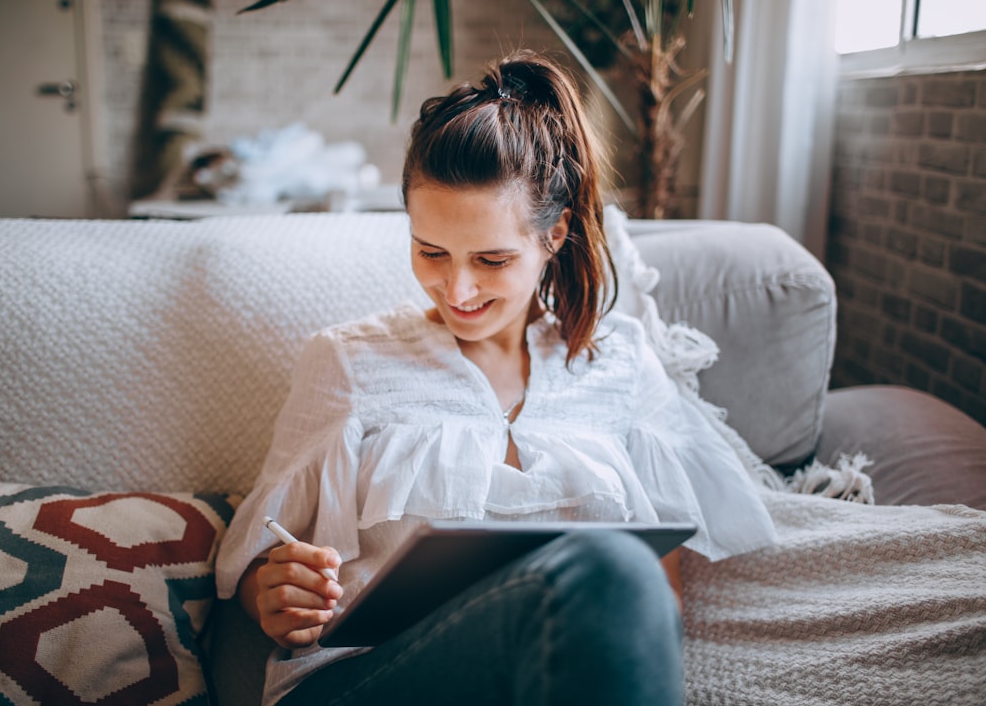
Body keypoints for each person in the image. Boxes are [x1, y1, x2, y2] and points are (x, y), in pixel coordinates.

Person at [215, 49, 777, 706]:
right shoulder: (348, 360)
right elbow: (251, 565)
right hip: (362, 681)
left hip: (541, 678)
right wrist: (272, 592)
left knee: (617, 573)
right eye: (431, 252)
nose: (458, 288)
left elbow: (659, 600)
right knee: (611, 570)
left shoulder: (619, 364)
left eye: (491, 258)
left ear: (554, 235)